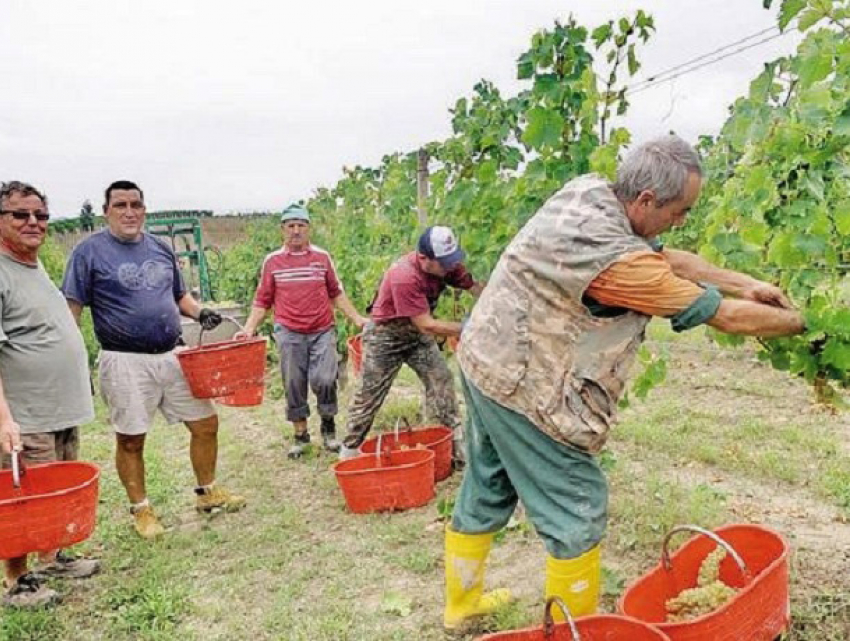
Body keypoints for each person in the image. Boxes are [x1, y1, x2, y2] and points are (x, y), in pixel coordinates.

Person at [443, 135, 806, 631]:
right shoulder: (618, 266)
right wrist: (804, 325)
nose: (683, 221)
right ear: (646, 201)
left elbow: (671, 258)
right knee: (576, 503)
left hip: (485, 355)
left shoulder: (591, 193)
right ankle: (579, 630)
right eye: (680, 211)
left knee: (488, 482)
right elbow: (723, 318)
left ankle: (461, 609)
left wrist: (746, 282)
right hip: (523, 381)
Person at [62, 180, 245, 540]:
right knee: (131, 439)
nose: (129, 212)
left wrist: (200, 312)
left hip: (173, 354)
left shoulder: (160, 248)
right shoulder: (88, 253)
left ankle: (207, 492)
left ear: (144, 210)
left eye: (136, 205)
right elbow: (73, 310)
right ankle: (141, 510)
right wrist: (73, 359)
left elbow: (179, 296)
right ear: (106, 212)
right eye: (120, 205)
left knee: (206, 423)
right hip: (124, 360)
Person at [0, 181, 99, 608]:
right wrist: (5, 419)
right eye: (20, 215)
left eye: (40, 215)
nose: (33, 223)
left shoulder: (32, 266)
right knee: (23, 496)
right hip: (25, 412)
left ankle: (53, 556)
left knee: (53, 491)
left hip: (57, 409)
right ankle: (17, 580)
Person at [340, 225, 484, 464]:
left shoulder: (445, 263)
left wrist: (494, 300)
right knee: (369, 394)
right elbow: (426, 324)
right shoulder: (404, 276)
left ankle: (456, 445)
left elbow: (474, 286)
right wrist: (470, 327)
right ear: (423, 258)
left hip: (416, 338)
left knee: (441, 380)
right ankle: (349, 450)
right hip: (386, 336)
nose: (450, 266)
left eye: (451, 260)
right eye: (443, 262)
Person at [237, 204, 368, 458]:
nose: (296, 231)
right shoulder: (273, 261)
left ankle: (328, 428)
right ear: (282, 230)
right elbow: (262, 299)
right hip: (288, 331)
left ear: (309, 228)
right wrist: (249, 329)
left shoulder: (322, 258)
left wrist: (357, 318)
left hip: (322, 329)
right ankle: (300, 435)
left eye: (301, 225)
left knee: (325, 378)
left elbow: (336, 292)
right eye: (291, 226)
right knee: (294, 383)